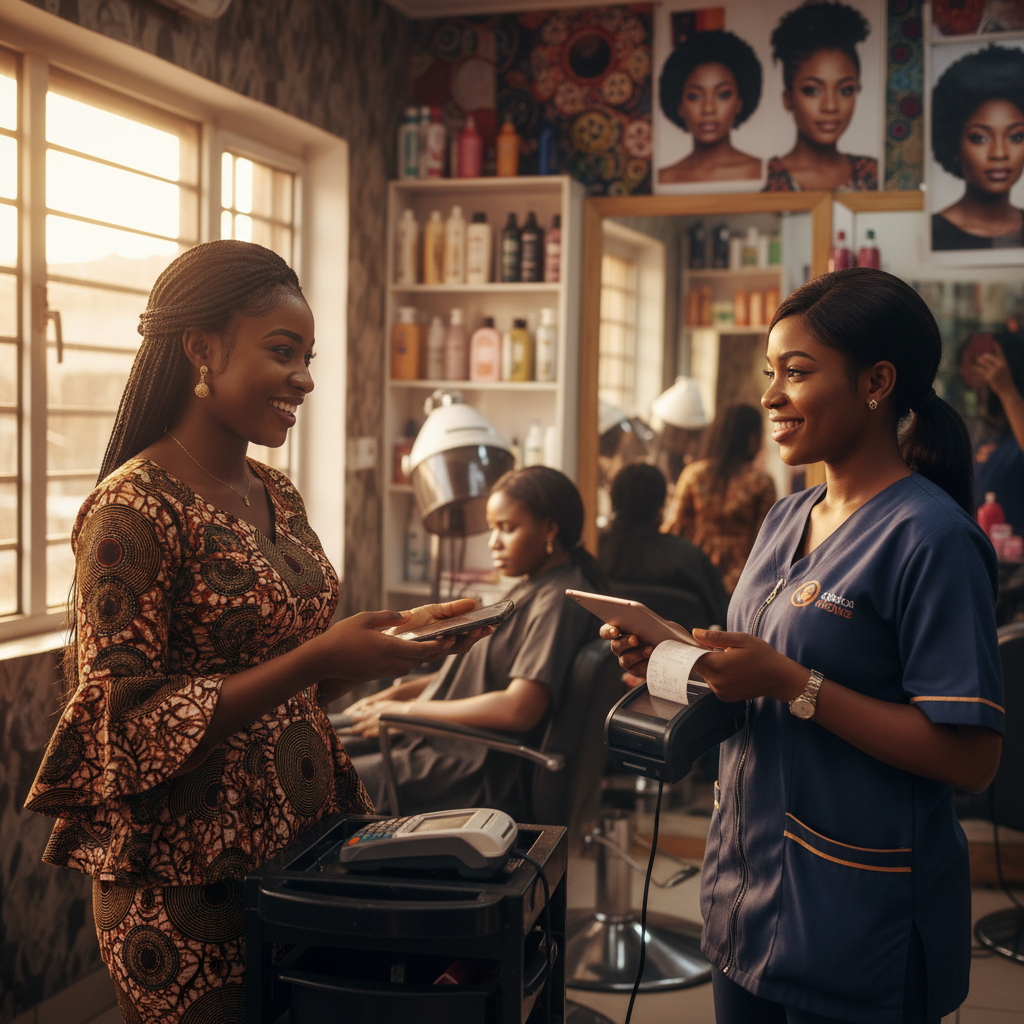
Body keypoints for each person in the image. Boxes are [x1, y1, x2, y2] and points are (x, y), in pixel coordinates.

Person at [23, 240, 488, 1023]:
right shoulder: (132, 510)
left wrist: (384, 650)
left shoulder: (276, 491)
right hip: (191, 876)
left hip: (307, 839)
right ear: (202, 350)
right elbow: (122, 727)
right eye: (283, 352)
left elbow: (295, 680)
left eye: (308, 356)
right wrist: (320, 654)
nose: (304, 377)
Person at [605, 267, 1003, 1024]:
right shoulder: (785, 517)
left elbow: (972, 760)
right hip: (744, 895)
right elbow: (759, 674)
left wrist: (796, 683)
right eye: (769, 373)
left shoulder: (933, 539)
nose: (769, 396)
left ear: (877, 382)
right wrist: (674, 662)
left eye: (797, 372)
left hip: (861, 916)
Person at [344, 466, 605, 820]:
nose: (493, 542)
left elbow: (519, 708)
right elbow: (479, 676)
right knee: (328, 739)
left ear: (549, 528)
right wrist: (395, 696)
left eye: (507, 528)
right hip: (441, 742)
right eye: (493, 527)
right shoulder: (533, 584)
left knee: (322, 772)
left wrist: (406, 713)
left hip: (472, 768)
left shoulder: (558, 600)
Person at [763, 0, 878, 192]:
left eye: (845, 90)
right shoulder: (766, 180)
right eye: (812, 90)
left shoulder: (875, 174)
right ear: (787, 98)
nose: (831, 106)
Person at [661, 402, 776, 594]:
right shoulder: (760, 482)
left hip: (695, 576)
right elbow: (766, 540)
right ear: (753, 438)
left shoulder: (694, 475)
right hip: (743, 581)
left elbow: (675, 528)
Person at [599, 462, 729, 627]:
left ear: (612, 497)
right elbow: (722, 616)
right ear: (661, 504)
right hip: (684, 650)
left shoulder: (594, 551)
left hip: (609, 648)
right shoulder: (689, 558)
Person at [930, 45, 1024, 251]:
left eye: (1016, 137)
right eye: (979, 138)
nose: (999, 153)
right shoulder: (933, 232)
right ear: (953, 144)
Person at [658, 29, 763, 184]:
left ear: (739, 103)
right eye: (694, 96)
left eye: (723, 94)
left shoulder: (764, 173)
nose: (708, 109)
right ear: (679, 106)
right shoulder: (663, 179)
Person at [959, 328, 1024, 534]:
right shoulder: (983, 428)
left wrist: (1006, 389)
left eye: (974, 361)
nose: (964, 370)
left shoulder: (1016, 424)